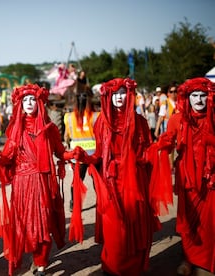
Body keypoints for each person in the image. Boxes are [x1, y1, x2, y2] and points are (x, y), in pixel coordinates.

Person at [73, 78, 171, 275]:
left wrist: (158, 148)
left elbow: (145, 153)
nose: (119, 97)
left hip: (135, 180)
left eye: (122, 92)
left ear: (129, 95)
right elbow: (100, 154)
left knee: (136, 223)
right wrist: (86, 158)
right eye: (115, 93)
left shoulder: (140, 122)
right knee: (115, 229)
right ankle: (113, 267)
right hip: (111, 182)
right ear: (108, 96)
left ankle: (134, 268)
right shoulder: (101, 122)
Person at [0, 84, 79, 276]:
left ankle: (42, 264)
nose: (29, 103)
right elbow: (7, 157)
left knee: (44, 224)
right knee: (25, 226)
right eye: (25, 100)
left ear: (39, 102)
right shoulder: (15, 130)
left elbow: (60, 153)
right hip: (22, 184)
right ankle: (35, 258)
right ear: (20, 103)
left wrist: (74, 154)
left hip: (44, 183)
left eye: (33, 99)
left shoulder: (50, 129)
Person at [158, 77, 215, 275]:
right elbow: (168, 141)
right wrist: (159, 145)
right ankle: (189, 259)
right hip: (187, 178)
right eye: (194, 96)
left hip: (211, 179)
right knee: (189, 221)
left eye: (203, 95)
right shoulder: (176, 119)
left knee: (210, 221)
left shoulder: (214, 117)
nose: (199, 100)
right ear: (187, 98)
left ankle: (208, 260)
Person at [63, 87, 99, 211]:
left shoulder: (68, 117)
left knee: (77, 180)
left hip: (77, 154)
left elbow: (66, 136)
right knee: (98, 180)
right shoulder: (95, 116)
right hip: (94, 154)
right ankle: (101, 200)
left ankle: (74, 203)